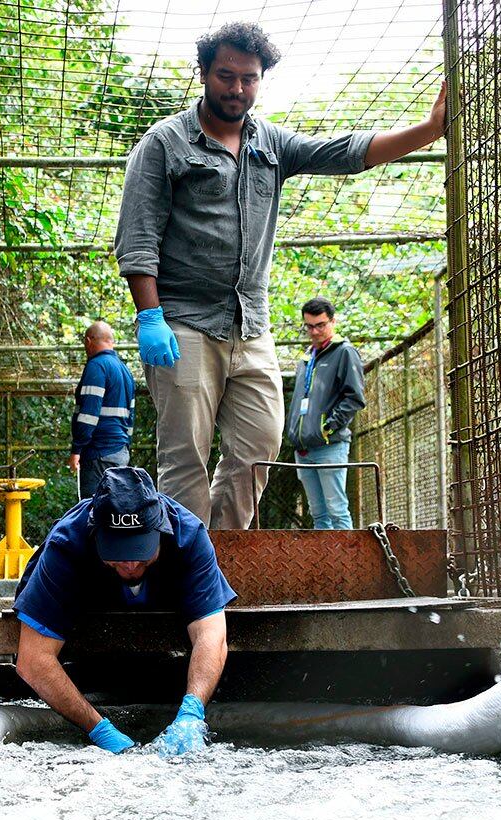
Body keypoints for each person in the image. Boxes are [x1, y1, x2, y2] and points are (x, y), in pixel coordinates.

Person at [113, 21, 446, 530]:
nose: (237, 88)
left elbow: (344, 153)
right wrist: (150, 316)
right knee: (185, 458)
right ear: (203, 72)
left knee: (259, 448)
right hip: (182, 324)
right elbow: (136, 239)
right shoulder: (165, 143)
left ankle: (222, 559)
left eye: (249, 78)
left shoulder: (270, 142)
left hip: (252, 327)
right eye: (226, 75)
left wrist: (428, 130)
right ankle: (188, 571)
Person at [13, 467, 235, 755]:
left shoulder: (188, 535)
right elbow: (32, 660)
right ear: (96, 535)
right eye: (117, 552)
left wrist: (192, 713)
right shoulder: (67, 543)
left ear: (160, 528)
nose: (130, 564)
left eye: (140, 550)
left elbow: (212, 634)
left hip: (168, 617)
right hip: (83, 625)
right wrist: (98, 730)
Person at [285, 297, 365, 529]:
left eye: (321, 325)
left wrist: (328, 427)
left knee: (337, 510)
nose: (315, 331)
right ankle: (326, 565)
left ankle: (347, 565)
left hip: (329, 445)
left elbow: (355, 398)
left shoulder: (345, 352)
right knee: (318, 514)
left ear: (332, 321)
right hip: (304, 449)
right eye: (309, 326)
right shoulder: (306, 357)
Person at [67, 320, 136, 499]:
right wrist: (124, 445)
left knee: (93, 511)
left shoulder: (96, 366)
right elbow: (130, 418)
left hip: (99, 453)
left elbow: (88, 414)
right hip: (120, 453)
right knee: (116, 511)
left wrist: (77, 449)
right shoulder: (125, 370)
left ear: (89, 341)